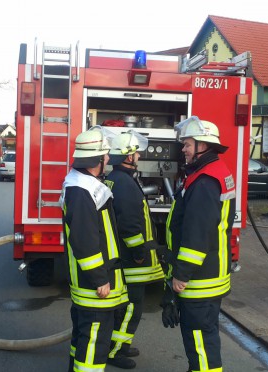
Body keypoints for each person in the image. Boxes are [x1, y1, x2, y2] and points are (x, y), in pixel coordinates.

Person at [162, 116, 235, 371]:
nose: (183, 149)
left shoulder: (204, 182)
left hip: (200, 280)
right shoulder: (211, 172)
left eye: (188, 144)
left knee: (201, 342)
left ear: (203, 145)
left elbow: (197, 234)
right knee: (203, 339)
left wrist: (181, 274)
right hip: (210, 275)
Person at [60, 126, 129, 372]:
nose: (109, 159)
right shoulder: (81, 190)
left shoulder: (85, 184)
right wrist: (99, 277)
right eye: (105, 155)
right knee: (93, 344)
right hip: (93, 285)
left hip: (92, 281)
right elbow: (84, 240)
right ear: (95, 160)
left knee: (83, 340)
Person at [104, 130, 165, 369]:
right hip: (132, 259)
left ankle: (121, 345)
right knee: (132, 306)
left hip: (121, 256)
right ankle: (117, 351)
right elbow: (130, 225)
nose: (139, 155)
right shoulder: (126, 184)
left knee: (127, 305)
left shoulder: (114, 179)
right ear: (128, 156)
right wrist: (139, 253)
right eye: (136, 152)